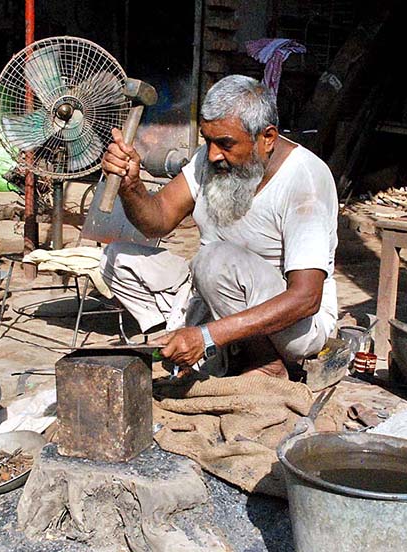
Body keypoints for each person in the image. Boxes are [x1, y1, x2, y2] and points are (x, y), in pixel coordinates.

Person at [99, 74, 338, 378]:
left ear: (267, 138)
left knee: (214, 260)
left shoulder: (305, 178)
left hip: (292, 324)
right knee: (115, 257)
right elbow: (156, 220)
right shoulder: (209, 159)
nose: (213, 154)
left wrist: (207, 336)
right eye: (208, 140)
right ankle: (178, 343)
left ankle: (266, 366)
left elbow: (306, 298)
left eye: (225, 144)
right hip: (212, 292)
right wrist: (131, 186)